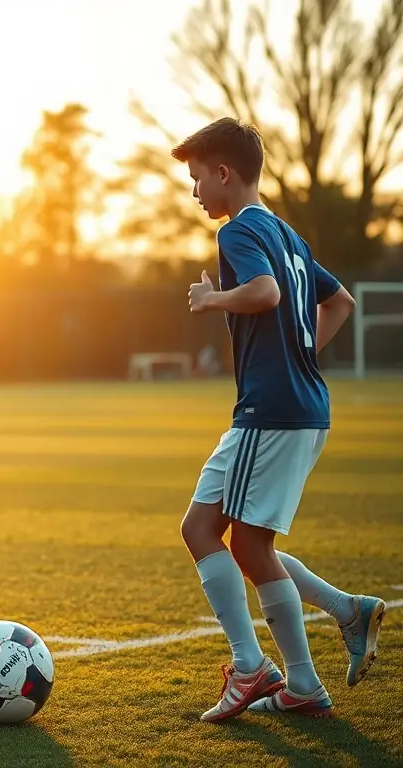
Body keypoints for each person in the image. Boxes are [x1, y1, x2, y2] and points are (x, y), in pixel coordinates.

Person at [172, 118, 386, 722]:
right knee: (214, 532)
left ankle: (265, 672)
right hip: (295, 408)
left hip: (272, 412)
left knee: (240, 541)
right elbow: (339, 301)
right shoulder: (288, 234)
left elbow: (264, 293)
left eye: (196, 179)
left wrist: (212, 299)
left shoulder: (239, 233)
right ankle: (345, 614)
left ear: (223, 173)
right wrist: (302, 350)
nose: (195, 194)